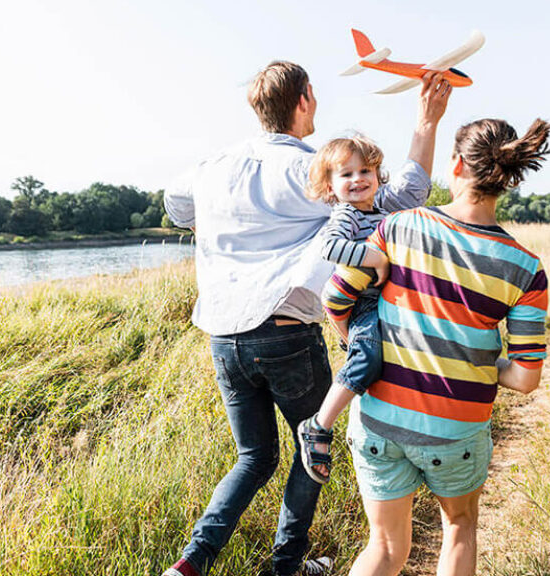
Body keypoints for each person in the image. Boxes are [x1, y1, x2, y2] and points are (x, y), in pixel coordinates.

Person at [161, 61, 452, 576]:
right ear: (305, 99)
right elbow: (402, 196)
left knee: (254, 457)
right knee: (309, 445)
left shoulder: (211, 167)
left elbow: (176, 204)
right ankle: (287, 567)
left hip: (223, 339)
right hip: (284, 332)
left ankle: (191, 560)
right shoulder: (313, 168)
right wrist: (425, 124)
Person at [327, 118, 550, 576]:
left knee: (385, 548)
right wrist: (476, 360)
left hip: (379, 422)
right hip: (456, 432)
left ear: (455, 165)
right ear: (507, 178)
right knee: (459, 528)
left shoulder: (398, 227)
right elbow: (526, 379)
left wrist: (358, 344)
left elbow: (336, 298)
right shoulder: (527, 268)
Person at [294, 134, 396, 485]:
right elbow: (330, 247)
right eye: (346, 174)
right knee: (367, 359)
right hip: (363, 303)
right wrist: (374, 257)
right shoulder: (346, 215)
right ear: (330, 186)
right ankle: (319, 425)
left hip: (385, 300)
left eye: (365, 170)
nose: (357, 180)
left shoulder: (382, 213)